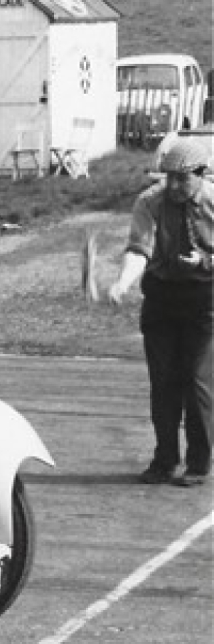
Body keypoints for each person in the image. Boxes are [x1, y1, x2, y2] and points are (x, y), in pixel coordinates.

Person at [108, 129, 214, 486]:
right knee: (164, 382)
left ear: (201, 174)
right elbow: (140, 250)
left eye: (182, 179)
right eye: (169, 177)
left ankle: (199, 464)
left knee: (198, 380)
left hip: (205, 301)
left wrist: (204, 261)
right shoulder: (149, 203)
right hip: (162, 300)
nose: (173, 186)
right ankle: (164, 459)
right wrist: (123, 282)